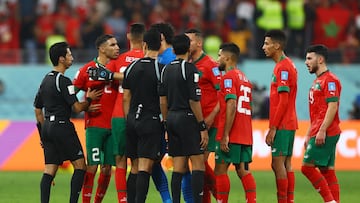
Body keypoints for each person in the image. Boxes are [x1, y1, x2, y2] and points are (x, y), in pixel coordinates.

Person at [34, 42, 102, 203]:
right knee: (80, 166)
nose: (72, 57)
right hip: (62, 126)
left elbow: (38, 110)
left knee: (49, 169)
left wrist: (43, 135)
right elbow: (77, 107)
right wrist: (90, 100)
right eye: (69, 55)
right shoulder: (63, 81)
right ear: (61, 59)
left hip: (48, 128)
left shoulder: (45, 80)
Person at [159, 34, 209, 203]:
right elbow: (194, 100)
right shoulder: (189, 69)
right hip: (186, 118)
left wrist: (166, 121)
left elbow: (162, 100)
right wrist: (202, 126)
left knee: (178, 166)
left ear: (173, 50)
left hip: (171, 118)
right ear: (189, 49)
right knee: (198, 164)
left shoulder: (165, 69)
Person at [72, 34, 121, 203]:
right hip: (95, 124)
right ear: (101, 48)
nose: (117, 47)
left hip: (114, 125)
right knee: (92, 166)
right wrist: (84, 106)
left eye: (117, 44)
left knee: (107, 169)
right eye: (112, 45)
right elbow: (70, 95)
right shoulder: (86, 70)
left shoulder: (119, 68)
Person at [122, 29, 165, 203]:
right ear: (160, 45)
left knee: (134, 167)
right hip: (150, 121)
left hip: (132, 120)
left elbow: (126, 97)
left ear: (144, 45)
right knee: (145, 169)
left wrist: (129, 119)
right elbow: (163, 100)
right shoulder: (160, 69)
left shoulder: (131, 67)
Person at [214, 43, 257, 203]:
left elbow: (231, 104)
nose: (217, 59)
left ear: (227, 57)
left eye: (219, 55)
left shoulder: (228, 78)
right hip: (245, 132)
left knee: (220, 170)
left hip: (232, 132)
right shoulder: (244, 78)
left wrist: (225, 134)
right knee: (243, 170)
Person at [302, 44, 341, 203]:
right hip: (319, 129)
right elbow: (317, 112)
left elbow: (333, 106)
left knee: (306, 168)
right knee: (327, 171)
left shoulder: (330, 80)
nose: (306, 62)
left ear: (320, 59)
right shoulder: (318, 80)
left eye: (309, 58)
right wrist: (308, 133)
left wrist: (322, 130)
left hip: (327, 131)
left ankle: (329, 201)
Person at [262, 29, 298, 203]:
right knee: (286, 164)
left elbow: (283, 101)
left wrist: (273, 128)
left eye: (267, 44)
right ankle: (289, 200)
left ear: (277, 46)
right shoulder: (286, 65)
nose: (263, 47)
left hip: (283, 124)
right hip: (289, 122)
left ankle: (283, 200)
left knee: (278, 164)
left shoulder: (283, 67)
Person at [185, 28, 220, 202]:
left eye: (189, 41)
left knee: (201, 164)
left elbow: (223, 94)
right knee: (198, 165)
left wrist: (212, 117)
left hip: (209, 122)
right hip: (196, 122)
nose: (186, 44)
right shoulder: (189, 64)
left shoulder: (210, 65)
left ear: (199, 43)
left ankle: (220, 196)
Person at [111, 23, 145, 203]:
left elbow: (104, 75)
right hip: (141, 115)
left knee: (120, 161)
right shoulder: (149, 59)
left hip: (118, 114)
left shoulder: (119, 60)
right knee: (139, 163)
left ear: (128, 37)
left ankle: (123, 200)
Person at [148, 22, 176, 203]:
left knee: (155, 160)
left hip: (167, 117)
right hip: (170, 116)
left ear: (161, 38)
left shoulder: (165, 61)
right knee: (156, 160)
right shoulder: (171, 57)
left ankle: (169, 199)